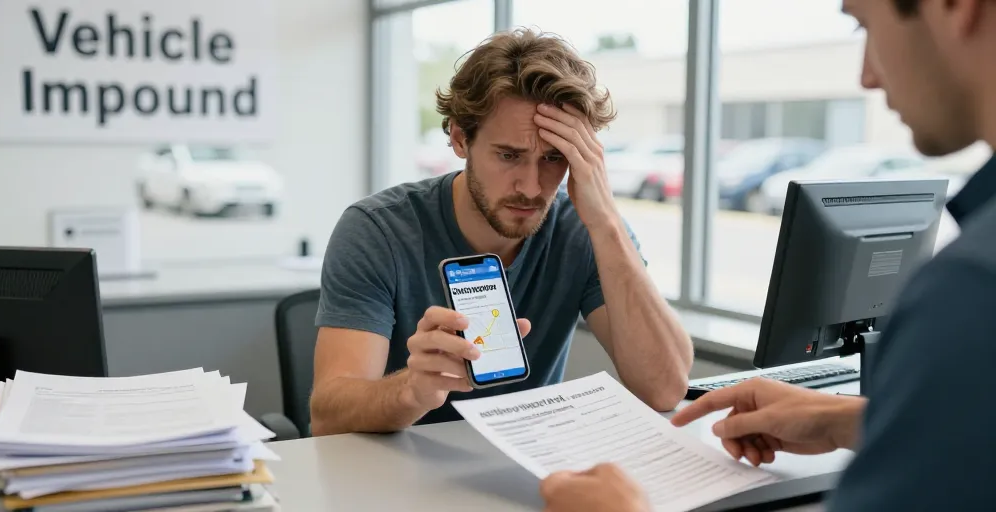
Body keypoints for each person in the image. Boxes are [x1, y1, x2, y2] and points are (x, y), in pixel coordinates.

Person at [539, 0, 996, 509]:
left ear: (958, 7)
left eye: (865, 23)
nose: (866, 75)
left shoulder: (973, 290)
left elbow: (664, 384)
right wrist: (848, 420)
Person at [308, 28, 694, 435]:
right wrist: (412, 390)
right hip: (395, 464)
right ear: (460, 138)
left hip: (531, 462)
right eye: (509, 155)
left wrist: (607, 222)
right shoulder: (377, 230)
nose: (531, 187)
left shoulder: (585, 228)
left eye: (553, 158)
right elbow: (327, 418)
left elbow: (665, 388)